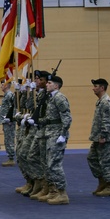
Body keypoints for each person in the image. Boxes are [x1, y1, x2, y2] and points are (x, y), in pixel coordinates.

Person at [40, 73, 72, 205]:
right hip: (50, 133)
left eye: (49, 83)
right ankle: (56, 192)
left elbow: (67, 118)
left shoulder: (59, 98)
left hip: (57, 134)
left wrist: (63, 134)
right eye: (47, 83)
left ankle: (62, 193)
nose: (46, 84)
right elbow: (50, 118)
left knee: (54, 164)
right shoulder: (51, 98)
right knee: (49, 164)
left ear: (56, 85)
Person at [88, 78, 110, 197]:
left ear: (102, 88)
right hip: (97, 137)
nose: (93, 88)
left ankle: (109, 186)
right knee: (92, 158)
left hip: (106, 138)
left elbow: (107, 120)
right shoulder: (100, 101)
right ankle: (102, 183)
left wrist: (103, 135)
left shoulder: (106, 102)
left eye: (96, 86)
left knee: (107, 162)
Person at [0, 81, 16, 166]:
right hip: (6, 121)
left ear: (7, 86)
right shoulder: (6, 95)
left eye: (2, 85)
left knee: (9, 139)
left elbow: (13, 108)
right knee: (7, 139)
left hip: (9, 121)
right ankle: (10, 157)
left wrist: (10, 119)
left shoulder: (9, 95)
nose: (1, 86)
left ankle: (11, 158)